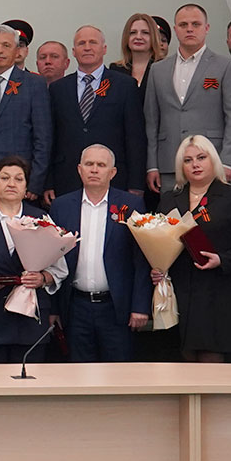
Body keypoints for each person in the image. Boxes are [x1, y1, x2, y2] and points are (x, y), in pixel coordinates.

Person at [155, 134, 231, 362]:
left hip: (218, 292)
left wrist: (223, 259)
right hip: (180, 291)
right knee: (181, 361)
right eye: (188, 160)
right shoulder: (169, 199)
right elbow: (158, 241)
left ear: (213, 160)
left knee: (211, 363)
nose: (195, 164)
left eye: (201, 158)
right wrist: (158, 267)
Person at [48, 145, 152, 362]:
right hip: (75, 307)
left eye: (101, 165)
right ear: (79, 169)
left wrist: (140, 306)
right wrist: (53, 309)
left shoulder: (130, 204)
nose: (94, 169)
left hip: (117, 307)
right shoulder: (61, 206)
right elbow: (52, 259)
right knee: (78, 372)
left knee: (118, 373)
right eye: (89, 164)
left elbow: (141, 258)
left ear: (112, 172)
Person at [0, 156, 67, 365]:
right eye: (5, 178)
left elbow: (59, 268)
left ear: (26, 187)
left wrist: (42, 278)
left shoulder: (41, 219)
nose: (11, 183)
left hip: (29, 321)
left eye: (19, 179)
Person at [144, 4, 231, 195]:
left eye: (195, 24)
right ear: (175, 29)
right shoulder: (158, 69)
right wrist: (152, 165)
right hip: (169, 163)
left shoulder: (226, 66)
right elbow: (151, 121)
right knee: (171, 213)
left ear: (206, 28)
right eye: (183, 25)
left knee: (211, 213)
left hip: (212, 161)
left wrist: (227, 161)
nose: (189, 29)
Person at [47, 25, 145, 199]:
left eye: (93, 42)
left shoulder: (125, 85)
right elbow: (50, 138)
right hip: (66, 178)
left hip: (114, 178)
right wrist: (48, 183)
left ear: (104, 49)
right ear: (74, 51)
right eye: (81, 43)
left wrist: (136, 183)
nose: (87, 47)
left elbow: (135, 137)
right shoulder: (58, 88)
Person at [0, 25, 52, 198]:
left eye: (6, 45)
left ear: (16, 51)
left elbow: (43, 138)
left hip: (21, 178)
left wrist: (35, 182)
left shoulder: (34, 84)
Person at [110, 12, 166, 87]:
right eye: (133, 32)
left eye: (145, 32)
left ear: (154, 37)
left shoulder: (164, 68)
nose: (138, 37)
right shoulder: (116, 69)